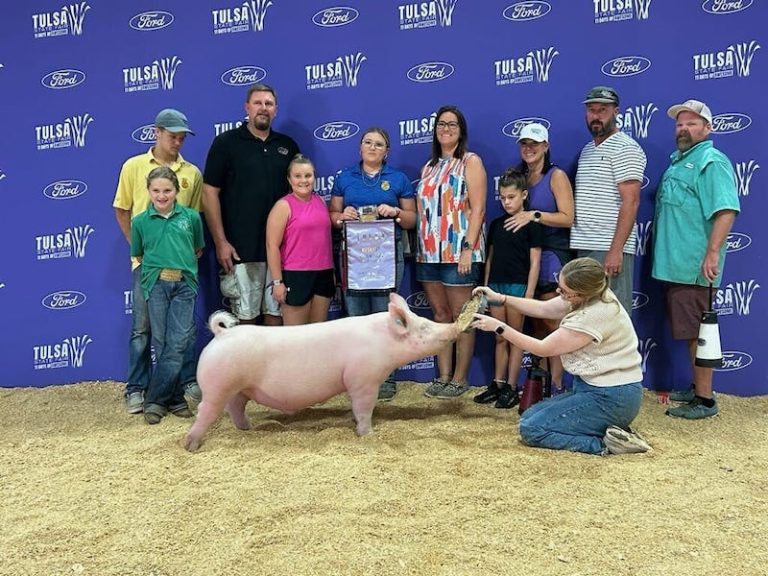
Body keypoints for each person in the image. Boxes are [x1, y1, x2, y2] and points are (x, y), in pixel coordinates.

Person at [472, 257, 651, 456]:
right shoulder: (593, 293)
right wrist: (500, 298)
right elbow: (544, 309)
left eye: (564, 291)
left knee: (531, 429)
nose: (559, 292)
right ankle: (612, 430)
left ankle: (607, 445)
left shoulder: (592, 316)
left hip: (613, 397)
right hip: (596, 389)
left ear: (581, 293)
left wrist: (499, 327)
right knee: (528, 416)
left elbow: (542, 348)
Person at [652, 99, 740, 420]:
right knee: (691, 331)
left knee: (699, 333)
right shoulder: (680, 161)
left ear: (708, 128)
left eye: (691, 123)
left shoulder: (711, 161)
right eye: (679, 124)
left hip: (694, 266)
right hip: (678, 266)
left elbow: (726, 210)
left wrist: (712, 252)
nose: (683, 129)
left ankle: (704, 399)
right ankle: (696, 386)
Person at [113, 108, 203, 414]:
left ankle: (183, 383)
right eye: (172, 135)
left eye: (181, 137)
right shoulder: (133, 166)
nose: (177, 141)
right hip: (147, 267)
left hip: (181, 267)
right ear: (157, 132)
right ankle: (136, 387)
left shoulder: (191, 173)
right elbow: (123, 210)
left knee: (183, 329)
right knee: (142, 328)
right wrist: (143, 251)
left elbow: (192, 219)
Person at [328, 127, 416, 401]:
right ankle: (358, 377)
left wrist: (398, 212)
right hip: (354, 258)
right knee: (356, 319)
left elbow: (412, 220)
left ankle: (386, 378)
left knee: (385, 318)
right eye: (368, 142)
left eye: (379, 144)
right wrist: (343, 215)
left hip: (388, 258)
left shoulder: (398, 178)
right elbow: (332, 216)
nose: (373, 147)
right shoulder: (345, 177)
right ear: (360, 147)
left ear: (387, 151)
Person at [202, 83, 300, 325]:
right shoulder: (226, 143)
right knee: (245, 322)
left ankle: (274, 366)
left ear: (276, 110)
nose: (263, 108)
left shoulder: (287, 146)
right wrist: (221, 242)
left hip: (281, 250)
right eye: (258, 103)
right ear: (247, 107)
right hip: (241, 249)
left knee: (276, 317)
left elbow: (299, 197)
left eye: (268, 104)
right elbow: (209, 192)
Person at [415, 105, 487, 399]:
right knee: (440, 314)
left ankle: (460, 378)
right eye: (441, 124)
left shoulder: (470, 161)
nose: (446, 128)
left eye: (452, 124)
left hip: (459, 251)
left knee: (462, 316)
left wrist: (467, 249)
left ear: (461, 130)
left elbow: (479, 208)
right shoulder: (428, 167)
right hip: (429, 253)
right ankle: (443, 375)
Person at [131, 167, 205, 425]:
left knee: (179, 341)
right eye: (156, 191)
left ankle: (155, 399)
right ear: (148, 192)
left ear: (176, 191)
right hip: (156, 284)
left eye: (167, 190)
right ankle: (175, 399)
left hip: (184, 284)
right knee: (162, 341)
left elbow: (197, 248)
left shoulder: (192, 217)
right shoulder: (140, 222)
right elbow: (139, 254)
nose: (162, 196)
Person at [505, 122, 575, 390]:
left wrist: (533, 214)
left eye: (534, 143)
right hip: (525, 259)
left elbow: (568, 218)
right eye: (524, 143)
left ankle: (557, 386)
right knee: (535, 326)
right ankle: (541, 386)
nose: (529, 148)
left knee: (553, 324)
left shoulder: (556, 176)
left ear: (546, 146)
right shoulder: (520, 178)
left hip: (552, 257)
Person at [570, 86, 647, 313]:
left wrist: (616, 250)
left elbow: (631, 202)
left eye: (602, 110)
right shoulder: (587, 150)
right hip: (585, 245)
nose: (596, 116)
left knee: (613, 315)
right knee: (587, 317)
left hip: (607, 248)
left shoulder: (626, 148)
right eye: (591, 110)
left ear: (616, 112)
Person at [473, 168, 542, 409]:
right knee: (500, 337)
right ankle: (498, 383)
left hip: (518, 287)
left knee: (514, 337)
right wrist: (486, 286)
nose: (506, 202)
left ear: (523, 195)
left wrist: (530, 294)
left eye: (511, 197)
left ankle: (512, 387)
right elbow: (490, 258)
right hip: (495, 287)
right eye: (502, 198)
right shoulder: (495, 224)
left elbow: (535, 262)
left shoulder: (533, 225)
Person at [266, 155, 335, 326]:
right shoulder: (283, 206)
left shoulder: (320, 201)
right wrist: (277, 282)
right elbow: (272, 246)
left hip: (324, 274)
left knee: (318, 335)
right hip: (296, 275)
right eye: (298, 176)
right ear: (289, 179)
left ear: (314, 177)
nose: (303, 180)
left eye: (308, 176)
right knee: (295, 339)